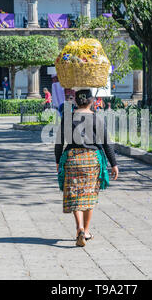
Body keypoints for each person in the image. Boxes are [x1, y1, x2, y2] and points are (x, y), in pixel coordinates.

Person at [55, 89, 119, 247]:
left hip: (73, 159)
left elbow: (59, 142)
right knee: (89, 194)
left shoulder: (68, 118)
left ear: (76, 101)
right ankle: (87, 230)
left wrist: (58, 161)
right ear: (91, 101)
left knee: (75, 193)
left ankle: (79, 228)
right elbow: (106, 142)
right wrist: (114, 164)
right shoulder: (96, 118)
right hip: (92, 159)